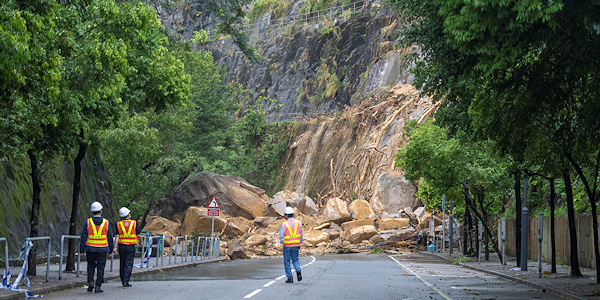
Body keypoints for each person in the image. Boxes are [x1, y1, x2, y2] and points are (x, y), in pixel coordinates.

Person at [80, 201, 114, 293]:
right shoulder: (106, 223)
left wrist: (81, 250)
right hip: (102, 249)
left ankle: (90, 282)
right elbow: (110, 238)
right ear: (101, 211)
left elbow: (83, 237)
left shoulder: (88, 222)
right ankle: (98, 286)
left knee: (90, 266)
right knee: (101, 267)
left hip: (90, 248)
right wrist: (111, 250)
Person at [113, 207, 141, 287]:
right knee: (128, 263)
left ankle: (122, 279)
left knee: (122, 262)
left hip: (122, 246)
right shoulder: (134, 223)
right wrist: (140, 241)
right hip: (131, 246)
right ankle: (126, 280)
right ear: (128, 214)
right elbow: (138, 235)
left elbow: (117, 235)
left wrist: (115, 246)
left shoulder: (118, 224)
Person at [279, 206, 303, 283]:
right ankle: (298, 271)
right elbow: (301, 233)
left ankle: (290, 278)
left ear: (286, 215)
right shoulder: (298, 223)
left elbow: (281, 236)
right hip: (296, 244)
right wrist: (300, 242)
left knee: (287, 261)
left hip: (287, 246)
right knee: (295, 259)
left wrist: (282, 242)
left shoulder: (284, 224)